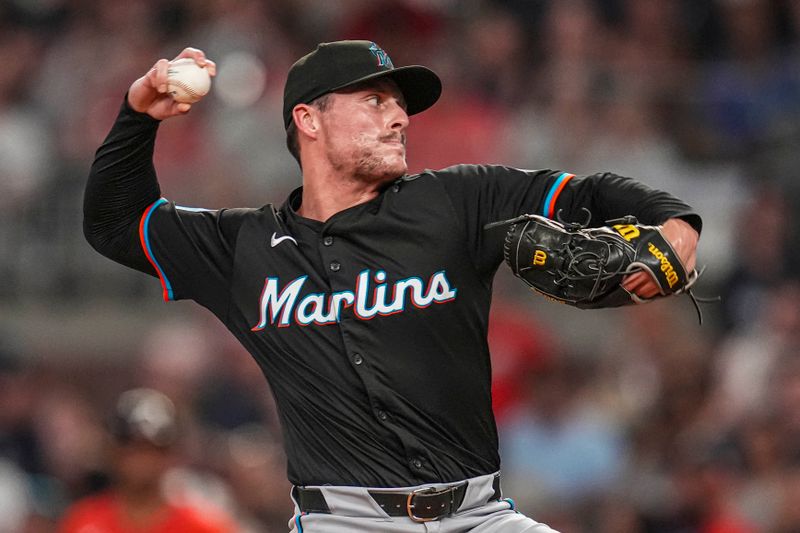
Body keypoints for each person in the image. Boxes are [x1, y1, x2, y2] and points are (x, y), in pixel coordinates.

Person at [83, 40, 701, 532]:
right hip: (342, 522)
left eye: (400, 105)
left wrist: (678, 223)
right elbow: (114, 224)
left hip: (479, 516)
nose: (400, 117)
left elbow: (587, 194)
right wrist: (137, 115)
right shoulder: (244, 248)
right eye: (375, 100)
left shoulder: (457, 201)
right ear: (309, 119)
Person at [59, 388, 236, 532]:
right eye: (130, 447)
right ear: (112, 452)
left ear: (170, 454)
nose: (141, 460)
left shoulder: (204, 526)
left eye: (152, 449)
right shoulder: (82, 521)